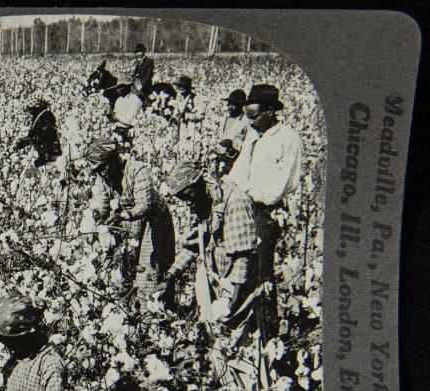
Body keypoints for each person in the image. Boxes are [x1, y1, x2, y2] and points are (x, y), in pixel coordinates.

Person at [222, 84, 303, 339]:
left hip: (266, 213)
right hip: (245, 207)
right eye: (247, 115)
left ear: (270, 111)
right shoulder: (254, 136)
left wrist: (252, 196)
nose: (250, 121)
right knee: (242, 269)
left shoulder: (288, 139)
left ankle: (268, 335)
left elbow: (282, 185)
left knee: (262, 273)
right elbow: (239, 171)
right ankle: (245, 328)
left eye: (255, 115)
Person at [157, 161, 258, 326]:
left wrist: (231, 304)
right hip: (218, 280)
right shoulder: (204, 202)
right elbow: (195, 245)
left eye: (188, 196)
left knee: (237, 335)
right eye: (183, 200)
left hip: (239, 286)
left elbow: (243, 259)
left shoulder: (235, 202)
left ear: (199, 184)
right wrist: (170, 276)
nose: (188, 203)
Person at [83, 138, 175, 307]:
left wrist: (122, 216)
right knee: (124, 266)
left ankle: (152, 312)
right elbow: (103, 204)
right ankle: (130, 310)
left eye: (103, 167)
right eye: (98, 170)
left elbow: (144, 206)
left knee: (148, 270)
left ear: (114, 159)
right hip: (130, 222)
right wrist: (97, 216)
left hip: (153, 222)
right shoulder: (104, 178)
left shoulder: (137, 170)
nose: (101, 173)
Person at [12, 97, 63, 167]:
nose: (30, 112)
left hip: (50, 155)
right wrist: (22, 143)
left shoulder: (46, 116)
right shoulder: (39, 117)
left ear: (35, 107)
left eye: (30, 109)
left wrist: (29, 141)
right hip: (46, 154)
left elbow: (47, 135)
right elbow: (33, 136)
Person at [215, 89, 249, 176]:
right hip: (223, 159)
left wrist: (233, 144)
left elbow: (248, 144)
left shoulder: (245, 121)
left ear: (241, 105)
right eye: (229, 104)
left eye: (233, 105)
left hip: (237, 161)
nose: (229, 107)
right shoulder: (225, 119)